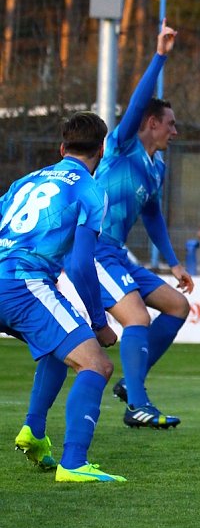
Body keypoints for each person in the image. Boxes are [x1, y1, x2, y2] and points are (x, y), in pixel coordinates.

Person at [5, 111, 126, 482]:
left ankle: (34, 430)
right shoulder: (90, 190)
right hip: (23, 284)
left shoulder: (24, 182)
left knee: (60, 346)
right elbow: (79, 264)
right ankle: (73, 463)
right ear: (101, 150)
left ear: (62, 148)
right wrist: (100, 322)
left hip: (9, 278)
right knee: (97, 365)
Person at [94, 20, 194, 428]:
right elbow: (136, 104)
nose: (175, 130)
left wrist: (173, 262)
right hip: (92, 248)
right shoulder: (121, 146)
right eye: (170, 123)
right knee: (137, 318)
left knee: (178, 306)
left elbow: (152, 214)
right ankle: (137, 403)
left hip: (117, 254)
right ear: (151, 123)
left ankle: (131, 384)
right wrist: (159, 57)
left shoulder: (157, 167)